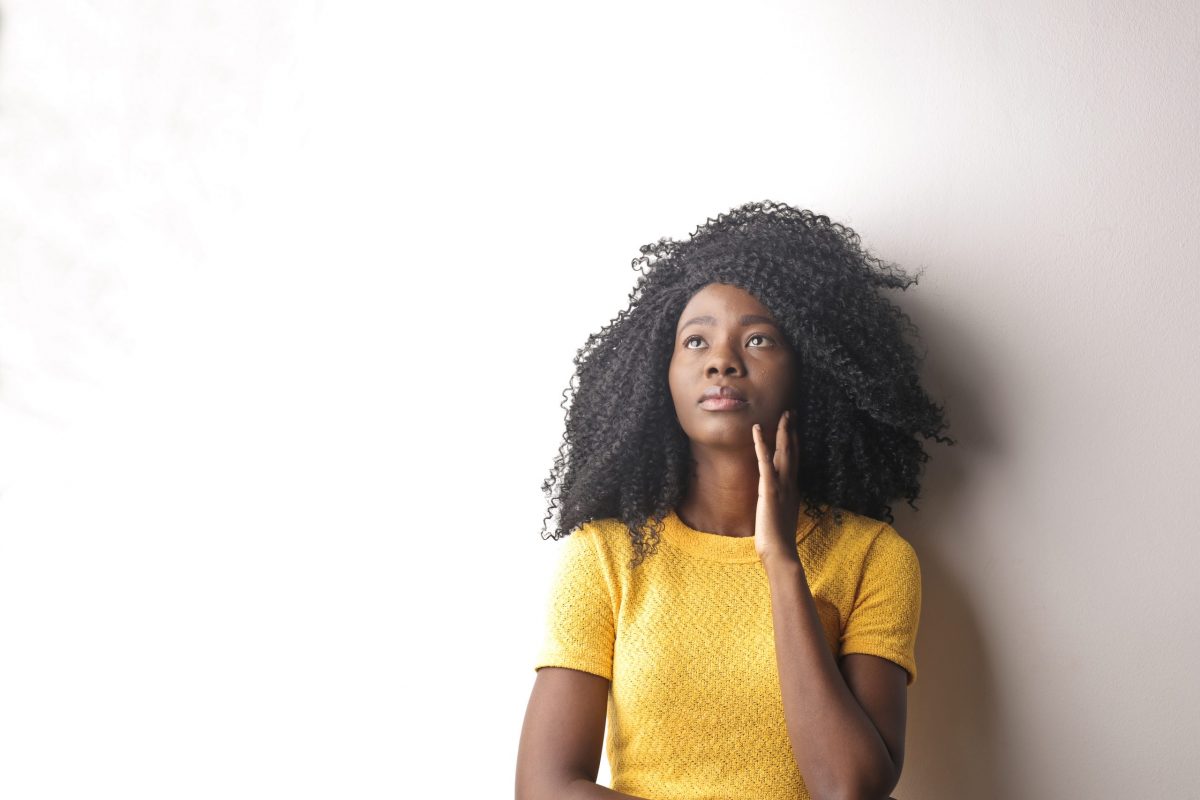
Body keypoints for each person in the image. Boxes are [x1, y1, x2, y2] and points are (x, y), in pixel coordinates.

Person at [515, 200, 955, 800]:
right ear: (659, 373)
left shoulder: (872, 556)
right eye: (695, 341)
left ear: (811, 370)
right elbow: (544, 788)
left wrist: (780, 563)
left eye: (758, 339)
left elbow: (851, 787)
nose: (722, 360)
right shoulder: (606, 556)